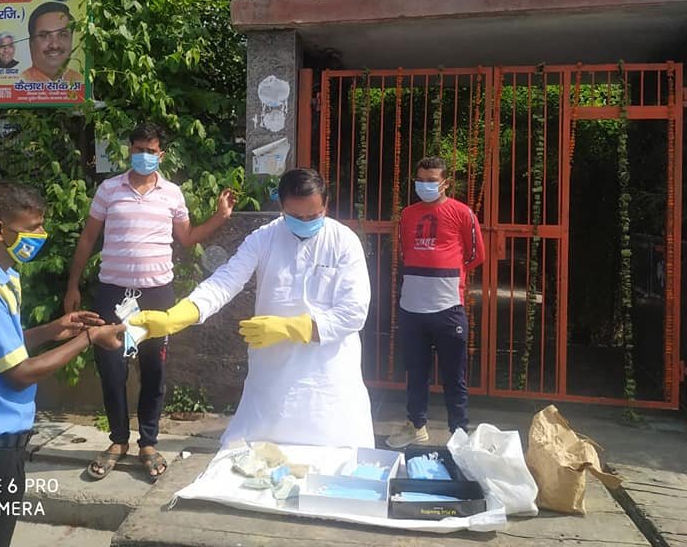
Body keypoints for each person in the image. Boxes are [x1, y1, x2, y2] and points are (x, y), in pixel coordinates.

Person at [0, 182, 125, 547]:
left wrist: (54, 330)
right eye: (32, 227)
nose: (40, 235)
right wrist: (88, 339)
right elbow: (18, 374)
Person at [132, 167, 375, 449]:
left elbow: (354, 311)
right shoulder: (264, 237)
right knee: (259, 463)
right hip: (273, 375)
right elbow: (225, 281)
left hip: (327, 376)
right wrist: (177, 317)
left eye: (314, 216)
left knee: (332, 465)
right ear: (282, 208)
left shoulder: (344, 242)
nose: (307, 222)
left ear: (326, 206)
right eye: (297, 217)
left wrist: (292, 327)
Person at [64, 124, 235, 481]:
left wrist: (219, 217)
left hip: (157, 295)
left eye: (150, 149)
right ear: (129, 150)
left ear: (161, 154)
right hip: (112, 293)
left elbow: (186, 239)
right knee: (112, 370)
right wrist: (72, 285)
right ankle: (118, 440)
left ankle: (148, 443)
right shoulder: (109, 190)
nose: (143, 154)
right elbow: (87, 239)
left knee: (153, 370)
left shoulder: (172, 194)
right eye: (137, 148)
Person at [385, 156, 485, 448]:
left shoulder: (462, 213)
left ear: (445, 183)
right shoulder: (407, 214)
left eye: (431, 181)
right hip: (412, 308)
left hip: (447, 308)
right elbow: (405, 251)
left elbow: (475, 254)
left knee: (455, 377)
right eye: (421, 180)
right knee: (415, 373)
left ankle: (459, 435)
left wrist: (449, 272)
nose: (425, 185)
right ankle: (416, 426)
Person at [19, 1, 82, 84]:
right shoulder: (19, 82)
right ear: (31, 43)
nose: (54, 45)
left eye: (62, 35)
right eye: (44, 35)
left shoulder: (80, 80)